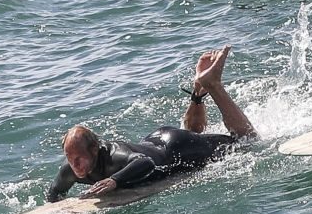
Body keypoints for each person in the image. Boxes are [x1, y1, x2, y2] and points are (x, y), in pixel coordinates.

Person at [47, 46, 257, 202]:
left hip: (175, 148)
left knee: (246, 141)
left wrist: (115, 181)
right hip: (157, 140)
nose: (75, 166)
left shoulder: (113, 156)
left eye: (78, 159)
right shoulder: (71, 170)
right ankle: (198, 92)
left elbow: (145, 162)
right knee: (196, 134)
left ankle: (213, 85)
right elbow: (55, 193)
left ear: (94, 149)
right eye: (70, 159)